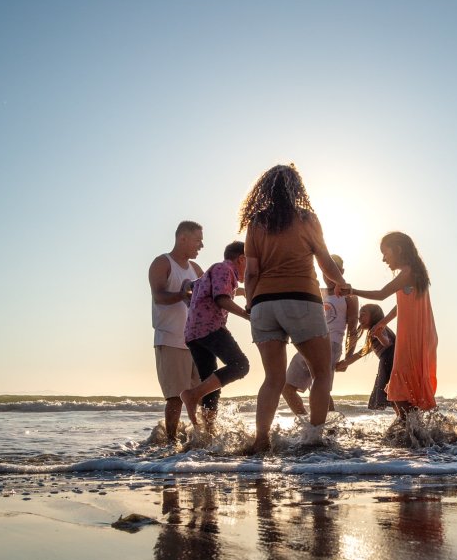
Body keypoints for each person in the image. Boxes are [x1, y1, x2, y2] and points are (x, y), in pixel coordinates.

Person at [240, 163, 347, 453]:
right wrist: (342, 283)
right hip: (301, 299)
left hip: (264, 305)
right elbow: (324, 260)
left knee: (273, 378)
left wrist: (252, 302)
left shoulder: (256, 223)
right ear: (296, 189)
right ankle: (314, 437)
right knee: (321, 371)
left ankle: (261, 438)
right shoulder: (306, 218)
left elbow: (250, 272)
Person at [341, 232, 438, 417]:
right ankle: (418, 435)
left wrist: (352, 290)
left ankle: (410, 433)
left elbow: (381, 294)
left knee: (400, 393)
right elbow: (401, 304)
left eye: (385, 253)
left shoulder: (407, 272)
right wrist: (384, 322)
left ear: (398, 250)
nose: (384, 259)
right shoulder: (415, 273)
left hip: (412, 338)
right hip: (422, 336)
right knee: (405, 393)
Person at [181, 242, 251, 428]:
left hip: (193, 334)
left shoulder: (214, 272)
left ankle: (208, 433)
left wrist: (243, 292)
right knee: (240, 365)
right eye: (251, 263)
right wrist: (248, 316)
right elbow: (221, 298)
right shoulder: (224, 268)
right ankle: (192, 395)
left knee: (211, 384)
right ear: (241, 259)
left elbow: (189, 287)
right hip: (209, 328)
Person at [282, 254, 359, 416]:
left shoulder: (349, 296)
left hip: (332, 344)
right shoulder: (317, 292)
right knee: (287, 388)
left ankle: (326, 429)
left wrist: (348, 358)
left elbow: (353, 328)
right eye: (325, 271)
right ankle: (309, 426)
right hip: (311, 343)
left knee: (321, 387)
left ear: (342, 271)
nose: (329, 275)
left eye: (334, 270)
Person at [149, 220, 204, 440]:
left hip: (195, 342)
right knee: (175, 398)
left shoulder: (196, 269)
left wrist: (242, 292)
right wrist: (182, 295)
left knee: (200, 395)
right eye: (198, 240)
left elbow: (213, 290)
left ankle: (197, 440)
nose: (201, 245)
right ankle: (171, 445)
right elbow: (159, 297)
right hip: (170, 340)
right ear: (183, 239)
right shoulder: (163, 263)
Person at [335, 303, 397, 409]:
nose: (359, 318)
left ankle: (403, 419)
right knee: (392, 394)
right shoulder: (372, 332)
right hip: (388, 361)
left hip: (390, 361)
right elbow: (361, 353)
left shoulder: (378, 327)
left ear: (374, 316)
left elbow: (387, 343)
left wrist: (379, 335)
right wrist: (343, 364)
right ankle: (403, 419)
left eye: (363, 314)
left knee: (392, 393)